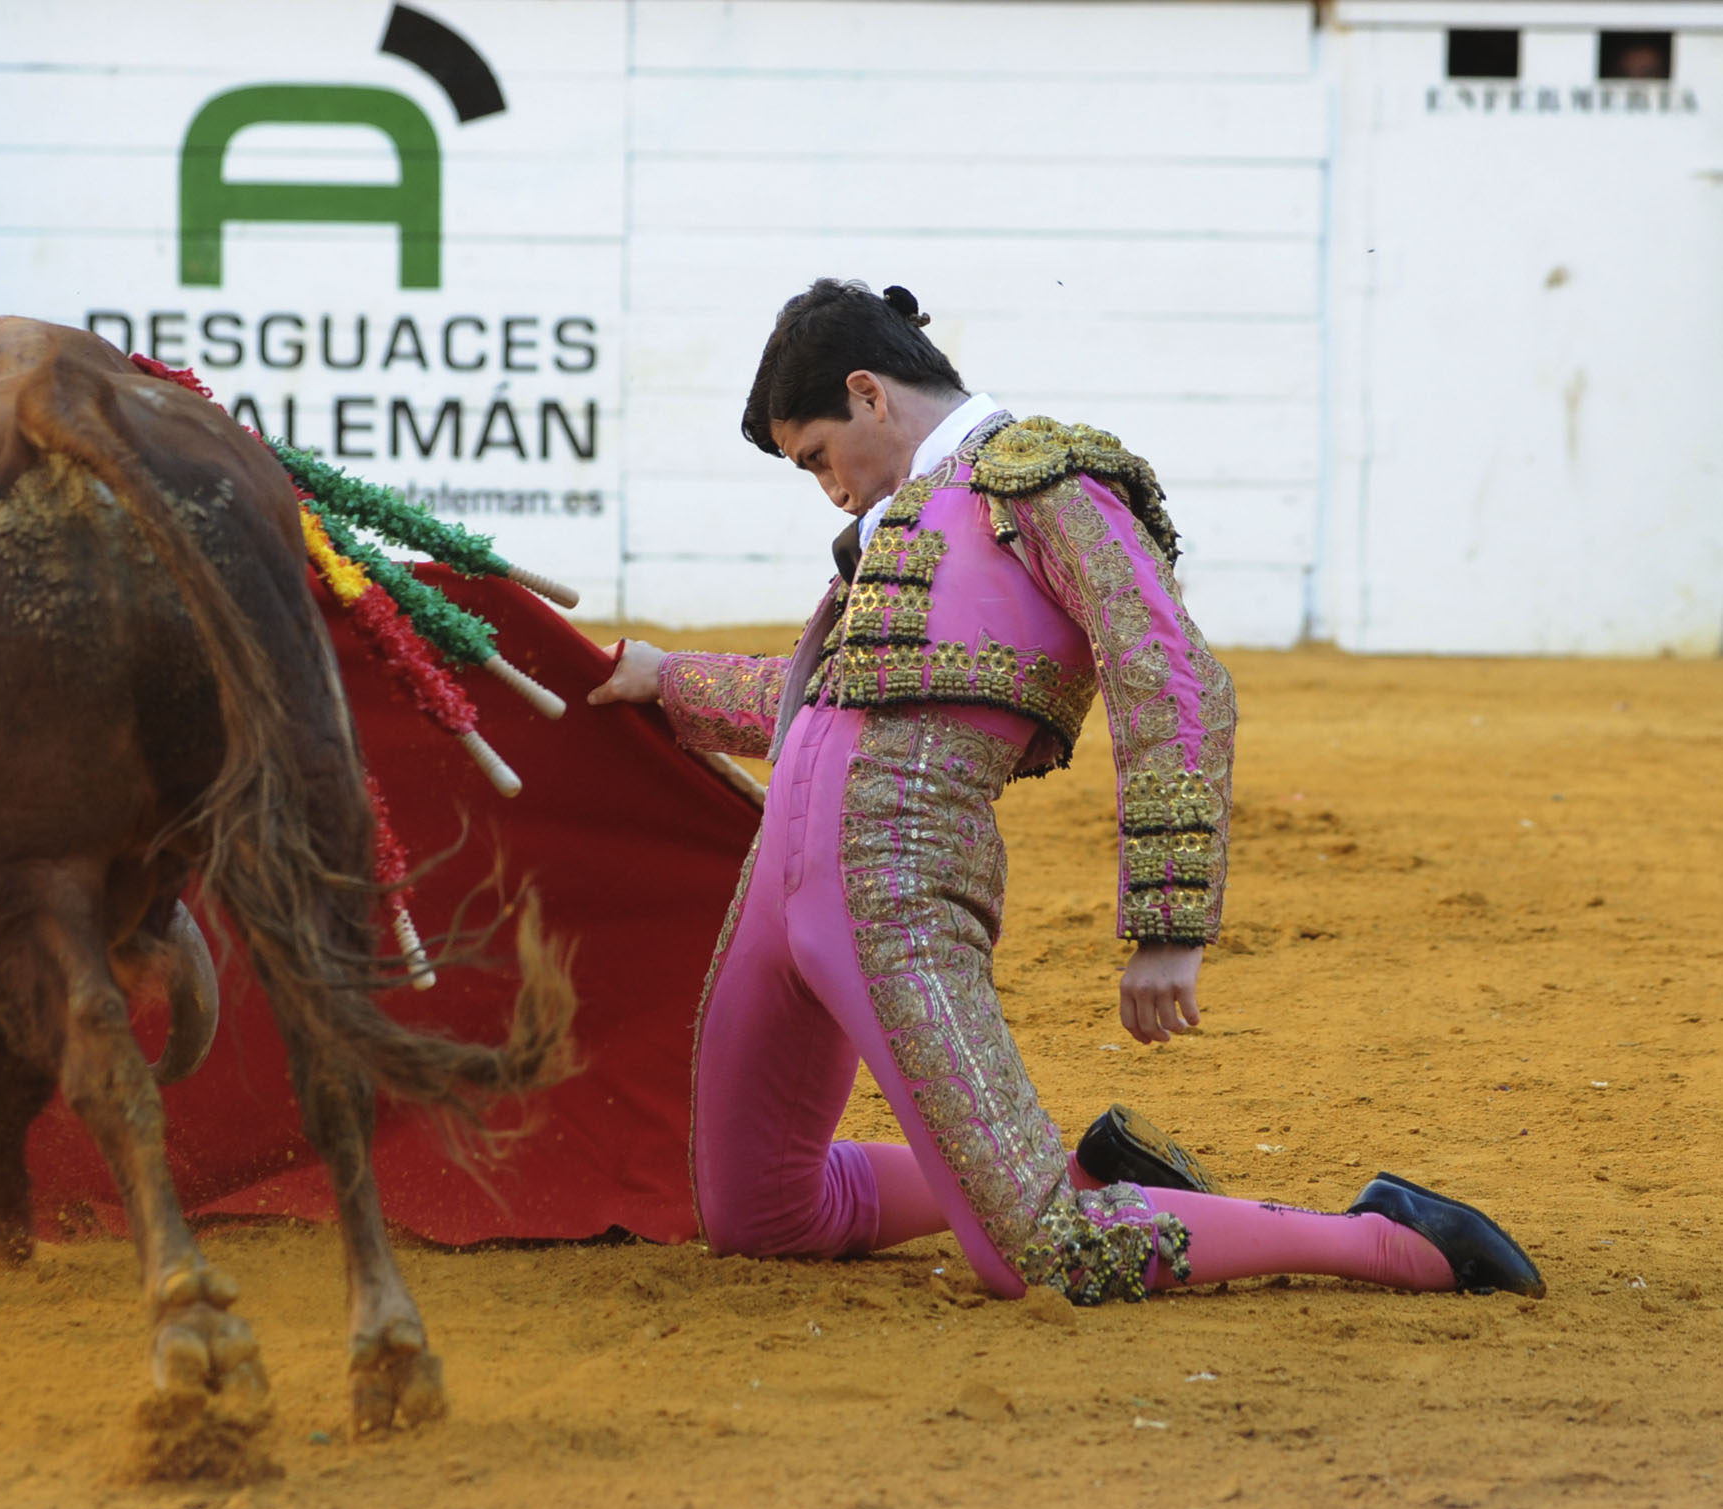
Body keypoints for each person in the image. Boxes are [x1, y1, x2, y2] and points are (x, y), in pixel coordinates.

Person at [589, 279, 1541, 1304]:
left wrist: (1168, 921)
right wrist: (668, 677)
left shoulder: (1048, 486)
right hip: (774, 891)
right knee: (756, 1212)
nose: (827, 488)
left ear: (867, 393)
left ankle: (1391, 1237)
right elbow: (825, 705)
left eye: (817, 455)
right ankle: (1095, 1174)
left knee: (1039, 1254)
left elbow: (1169, 674)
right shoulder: (899, 526)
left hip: (892, 882)